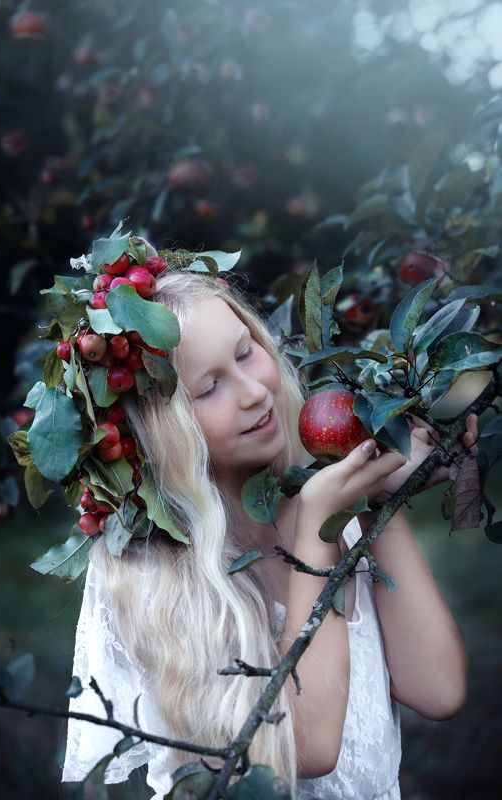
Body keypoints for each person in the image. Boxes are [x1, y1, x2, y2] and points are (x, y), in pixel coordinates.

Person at [61, 268, 478, 799]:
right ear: (159, 430)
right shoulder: (155, 570)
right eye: (209, 387)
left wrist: (375, 500)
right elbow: (306, 750)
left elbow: (438, 690)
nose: (255, 391)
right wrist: (318, 532)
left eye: (245, 353)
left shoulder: (318, 496)